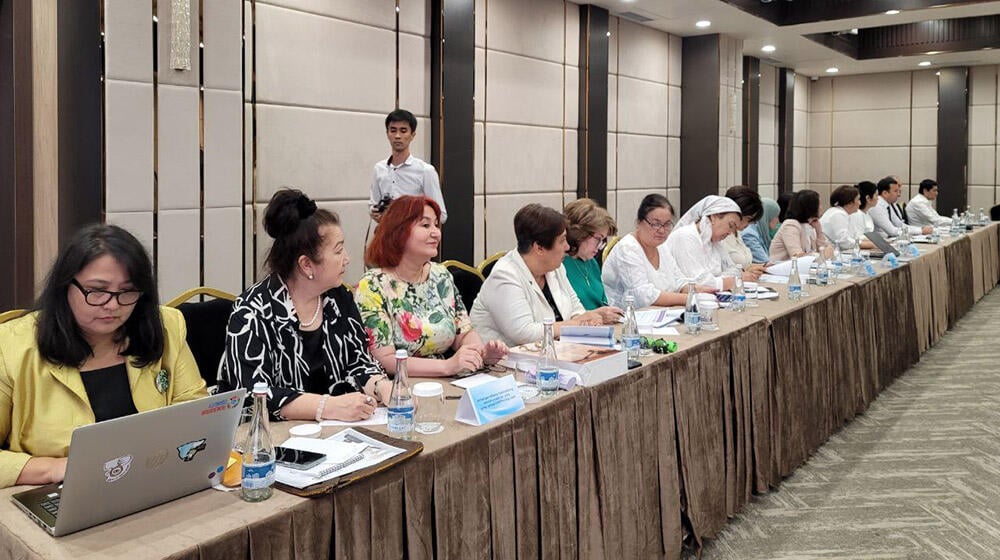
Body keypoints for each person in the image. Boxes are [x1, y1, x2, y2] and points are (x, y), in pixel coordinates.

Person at [0, 224, 207, 488]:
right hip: (58, 491)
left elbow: (197, 413)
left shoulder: (165, 327)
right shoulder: (11, 346)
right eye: (97, 291)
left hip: (152, 481)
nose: (113, 305)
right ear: (65, 286)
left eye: (127, 292)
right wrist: (55, 468)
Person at [220, 189, 391, 422]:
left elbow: (359, 363)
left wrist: (382, 387)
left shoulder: (338, 297)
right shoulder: (252, 310)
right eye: (338, 250)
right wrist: (326, 407)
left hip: (336, 432)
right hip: (270, 441)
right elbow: (254, 394)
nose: (347, 259)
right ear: (307, 265)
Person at [355, 196, 507, 376]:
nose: (436, 232)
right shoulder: (372, 285)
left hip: (450, 381)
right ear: (399, 232)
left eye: (436, 225)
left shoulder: (440, 275)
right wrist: (447, 366)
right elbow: (385, 360)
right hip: (400, 387)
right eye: (426, 225)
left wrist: (479, 353)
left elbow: (464, 333)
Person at [470, 204, 621, 347]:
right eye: (562, 241)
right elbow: (524, 333)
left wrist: (586, 319)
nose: (567, 247)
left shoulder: (555, 268)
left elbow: (576, 309)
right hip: (503, 365)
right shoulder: (505, 276)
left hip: (551, 354)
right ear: (539, 248)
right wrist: (575, 324)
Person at [602, 194, 699, 308]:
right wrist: (690, 298)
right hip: (626, 318)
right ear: (639, 222)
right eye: (656, 224)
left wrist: (705, 293)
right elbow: (642, 296)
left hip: (661, 314)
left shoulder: (661, 245)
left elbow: (678, 281)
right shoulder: (628, 248)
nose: (662, 230)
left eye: (667, 224)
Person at [369, 109, 447, 223]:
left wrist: (413, 216)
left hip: (413, 235)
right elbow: (373, 204)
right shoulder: (379, 168)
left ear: (412, 135)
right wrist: (375, 212)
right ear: (387, 133)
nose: (397, 136)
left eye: (403, 131)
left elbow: (441, 215)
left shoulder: (425, 171)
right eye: (393, 130)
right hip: (386, 235)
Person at [666, 195, 750, 290]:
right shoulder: (685, 236)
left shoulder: (715, 242)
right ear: (713, 217)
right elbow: (696, 281)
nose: (730, 233)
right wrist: (726, 281)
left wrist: (720, 280)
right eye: (731, 225)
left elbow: (734, 270)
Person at [563, 198, 618, 310]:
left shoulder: (591, 263)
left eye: (603, 240)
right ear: (580, 234)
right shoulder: (559, 265)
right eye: (598, 239)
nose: (600, 246)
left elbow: (603, 302)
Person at [770, 189, 832, 261]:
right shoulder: (790, 225)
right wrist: (822, 255)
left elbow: (826, 250)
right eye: (819, 204)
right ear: (810, 207)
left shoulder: (810, 224)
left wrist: (819, 232)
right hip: (782, 269)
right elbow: (797, 256)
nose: (821, 207)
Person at [722, 186, 765, 270]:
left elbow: (744, 265)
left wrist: (763, 267)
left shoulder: (737, 233)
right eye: (748, 219)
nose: (749, 224)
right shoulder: (721, 235)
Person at [819, 185, 863, 250]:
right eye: (858, 200)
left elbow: (855, 236)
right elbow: (844, 242)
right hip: (830, 255)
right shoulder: (837, 214)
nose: (860, 203)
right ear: (850, 203)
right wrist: (868, 245)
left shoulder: (844, 213)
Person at [741, 197, 780, 264]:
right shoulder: (749, 235)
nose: (778, 221)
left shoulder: (760, 232)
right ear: (767, 216)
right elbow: (764, 262)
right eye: (776, 216)